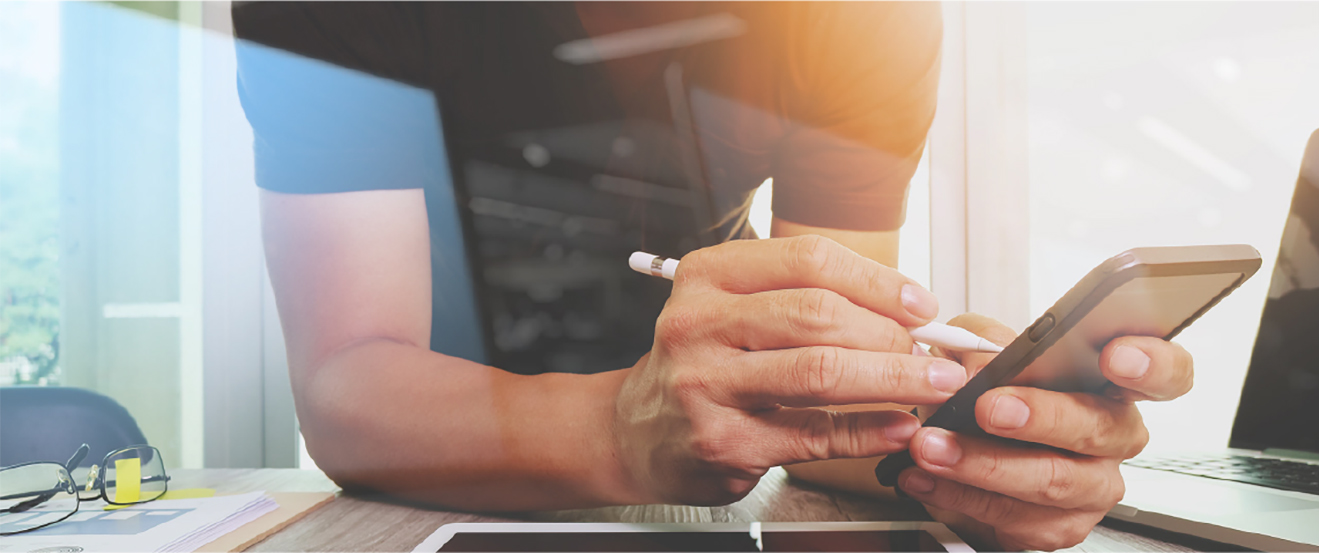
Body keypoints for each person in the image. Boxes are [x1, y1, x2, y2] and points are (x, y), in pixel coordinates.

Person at [232, 3, 1193, 550]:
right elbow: (350, 385)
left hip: (704, 466)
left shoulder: (868, 20)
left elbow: (817, 374)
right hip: (434, 454)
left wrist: (953, 445)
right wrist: (618, 425)